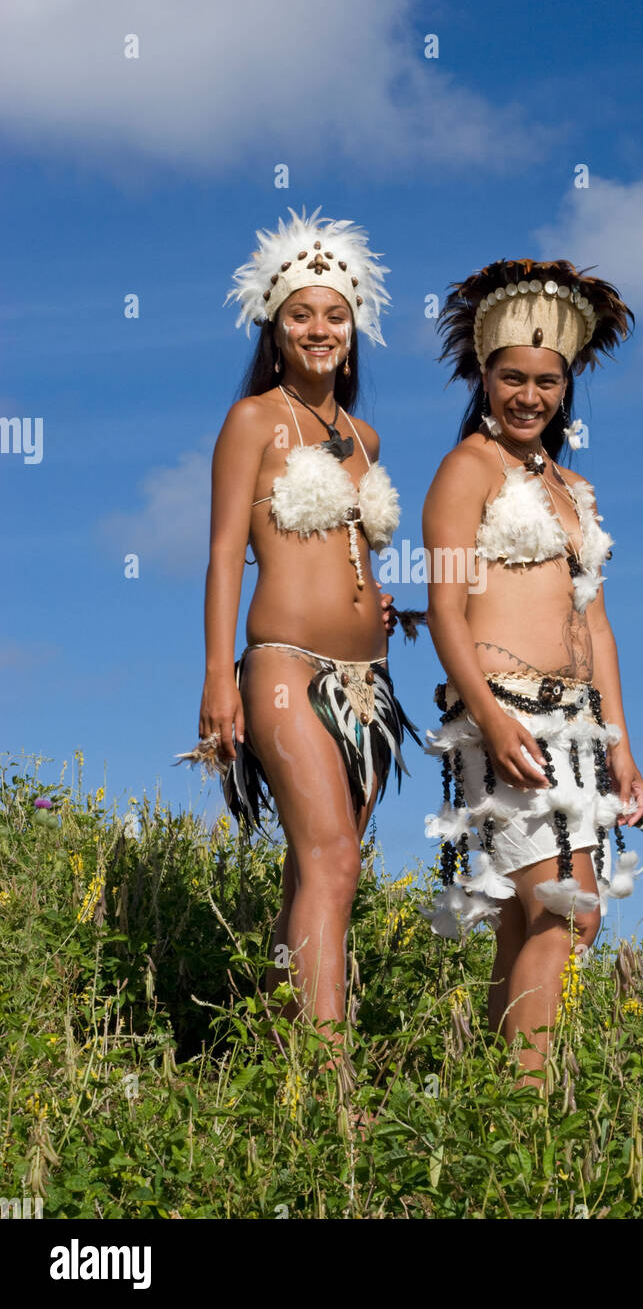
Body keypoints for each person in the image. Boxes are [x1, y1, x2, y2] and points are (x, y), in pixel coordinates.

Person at [179, 207, 420, 1045]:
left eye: (335, 314)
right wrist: (219, 676)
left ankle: (281, 1066)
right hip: (282, 666)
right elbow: (222, 554)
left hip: (370, 685)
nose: (319, 328)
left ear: (354, 331)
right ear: (275, 328)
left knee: (312, 873)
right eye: (301, 314)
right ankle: (329, 1080)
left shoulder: (366, 437)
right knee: (334, 860)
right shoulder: (253, 421)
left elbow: (349, 552)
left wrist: (380, 603)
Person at [419, 257, 643, 1086]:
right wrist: (488, 714)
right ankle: (524, 1118)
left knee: (533, 924)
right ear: (484, 377)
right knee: (565, 915)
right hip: (504, 711)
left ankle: (489, 1115)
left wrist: (620, 745)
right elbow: (445, 608)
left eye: (546, 381)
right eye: (512, 377)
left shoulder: (573, 488)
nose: (529, 396)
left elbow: (595, 619)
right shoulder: (465, 471)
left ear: (568, 382)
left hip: (578, 723)